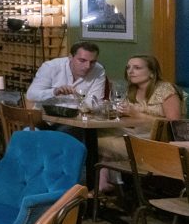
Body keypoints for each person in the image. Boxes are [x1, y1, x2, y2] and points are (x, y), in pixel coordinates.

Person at [97, 55, 182, 191]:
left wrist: (137, 114)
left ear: (152, 73)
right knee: (98, 135)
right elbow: (128, 118)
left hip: (157, 141)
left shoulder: (165, 89)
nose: (130, 71)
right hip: (134, 133)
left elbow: (174, 124)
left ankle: (108, 183)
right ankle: (104, 182)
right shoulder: (132, 90)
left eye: (137, 68)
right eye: (128, 68)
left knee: (102, 142)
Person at [26, 41, 106, 106]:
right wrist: (55, 91)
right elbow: (31, 95)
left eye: (92, 62)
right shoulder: (51, 67)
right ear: (70, 57)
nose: (87, 66)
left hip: (78, 118)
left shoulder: (98, 70)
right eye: (82, 60)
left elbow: (94, 103)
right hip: (46, 117)